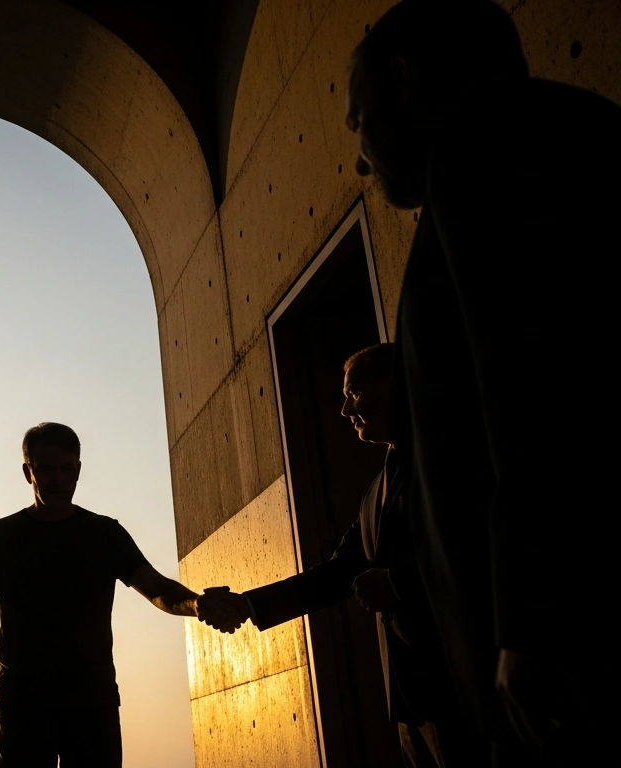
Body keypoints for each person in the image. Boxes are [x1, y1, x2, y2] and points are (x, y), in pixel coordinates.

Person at [347, 1, 619, 762]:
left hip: (565, 653)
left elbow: (537, 393)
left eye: (359, 121)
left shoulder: (489, 152)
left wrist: (532, 619)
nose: (362, 162)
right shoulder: (558, 133)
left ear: (403, 78)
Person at [218, 344, 486, 767]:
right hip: (410, 701)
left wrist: (397, 583)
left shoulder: (462, 454)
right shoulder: (374, 491)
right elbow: (341, 572)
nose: (345, 410)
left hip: (469, 688)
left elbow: (486, 550)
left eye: (354, 392)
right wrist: (248, 604)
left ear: (397, 381)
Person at [0, 422, 243, 766]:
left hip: (91, 696)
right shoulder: (2, 536)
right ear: (27, 472)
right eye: (46, 469)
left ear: (78, 470)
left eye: (66, 469)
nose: (58, 479)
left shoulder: (104, 533)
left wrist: (197, 604)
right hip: (23, 698)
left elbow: (155, 588)